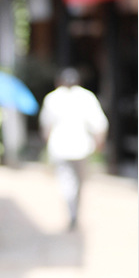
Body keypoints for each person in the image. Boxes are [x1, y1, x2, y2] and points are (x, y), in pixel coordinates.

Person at [39, 68, 109, 230]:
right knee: (78, 183)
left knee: (67, 183)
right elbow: (100, 124)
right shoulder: (86, 97)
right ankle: (73, 214)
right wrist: (100, 143)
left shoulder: (53, 98)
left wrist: (46, 144)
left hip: (60, 148)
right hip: (82, 148)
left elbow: (46, 125)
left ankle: (72, 213)